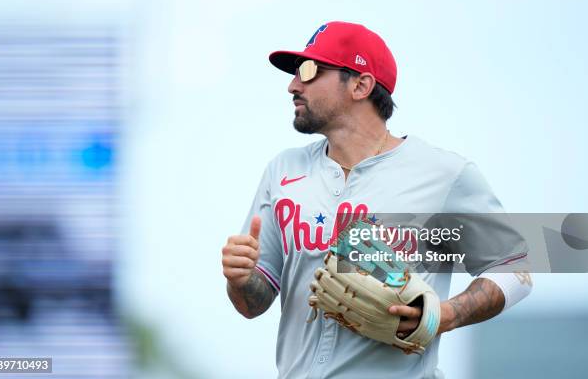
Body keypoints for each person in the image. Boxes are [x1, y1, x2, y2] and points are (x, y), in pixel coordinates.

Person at [221, 21, 532, 378]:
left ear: (361, 85)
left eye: (309, 71)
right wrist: (240, 278)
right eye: (295, 73)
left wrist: (442, 316)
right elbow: (252, 305)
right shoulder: (283, 170)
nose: (293, 85)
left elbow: (514, 269)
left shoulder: (443, 174)